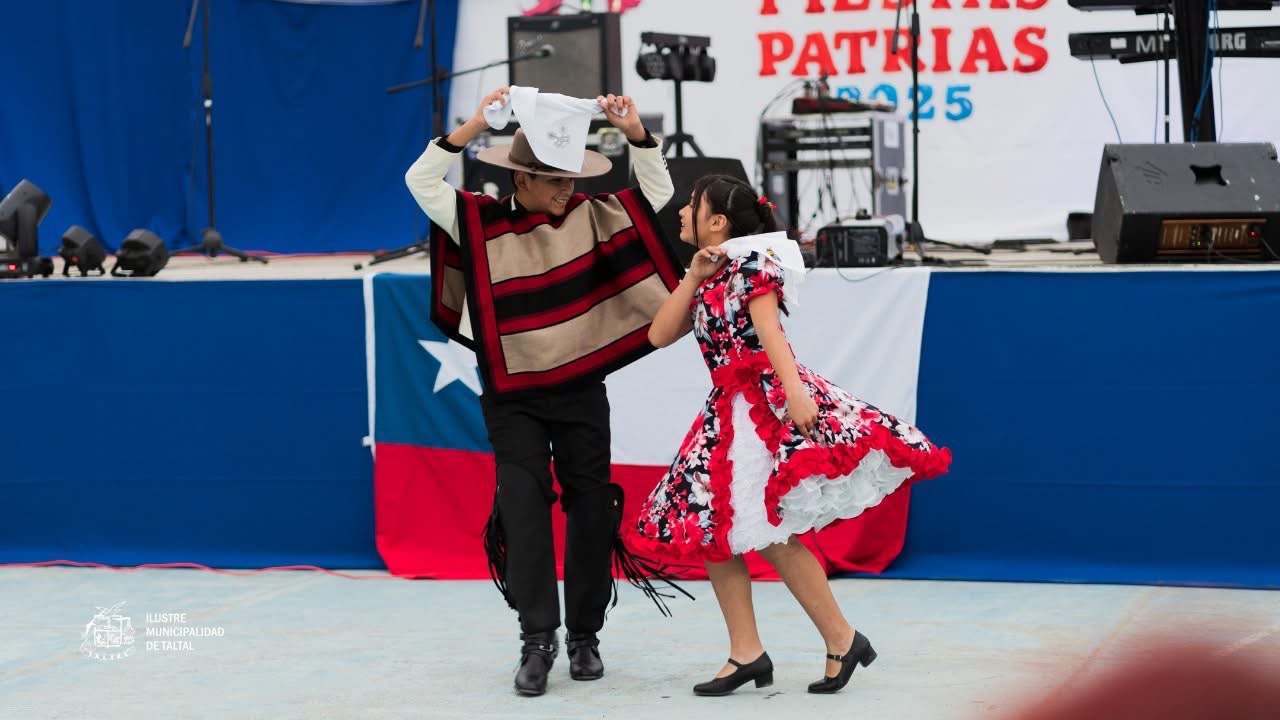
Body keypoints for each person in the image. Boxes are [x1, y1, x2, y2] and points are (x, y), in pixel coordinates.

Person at [404, 86, 687, 697]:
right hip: (513, 394)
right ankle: (538, 639)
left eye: (570, 178)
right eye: (555, 179)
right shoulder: (476, 218)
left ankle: (585, 635)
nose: (567, 189)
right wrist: (475, 123)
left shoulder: (593, 215)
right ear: (521, 179)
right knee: (522, 507)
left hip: (580, 386)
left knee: (592, 508)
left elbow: (656, 197)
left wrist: (637, 133)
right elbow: (421, 181)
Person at [631, 174, 952, 696]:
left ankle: (842, 639)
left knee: (776, 535)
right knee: (716, 530)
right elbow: (658, 334)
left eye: (693, 204)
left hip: (761, 405)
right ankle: (747, 653)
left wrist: (795, 393)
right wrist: (690, 277)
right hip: (726, 413)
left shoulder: (755, 266)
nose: (682, 211)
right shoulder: (710, 272)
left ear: (718, 223)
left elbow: (770, 332)